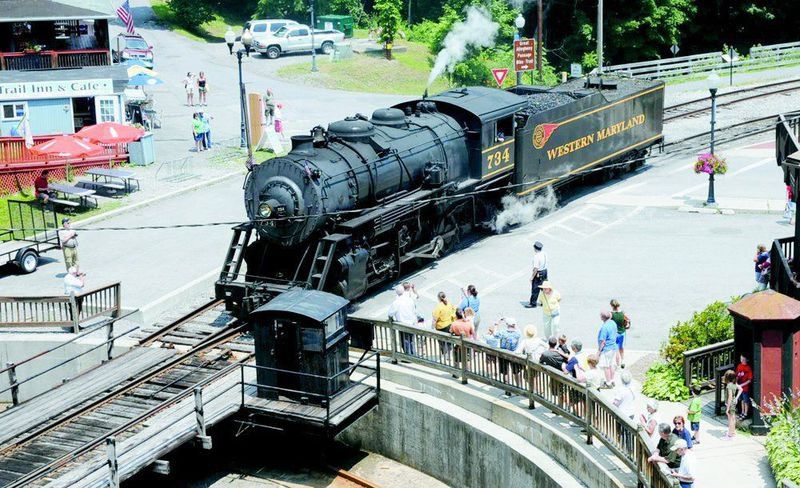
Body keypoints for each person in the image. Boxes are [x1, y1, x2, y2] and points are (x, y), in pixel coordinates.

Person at [388, 284, 417, 355]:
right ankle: (413, 354)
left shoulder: (396, 302)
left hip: (402, 324)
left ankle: (408, 356)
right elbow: (414, 310)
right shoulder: (410, 300)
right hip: (411, 323)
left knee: (405, 340)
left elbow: (390, 314)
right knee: (411, 340)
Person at [597, 311, 619, 388]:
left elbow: (603, 341)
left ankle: (608, 383)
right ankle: (612, 380)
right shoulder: (613, 323)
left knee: (606, 366)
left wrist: (599, 352)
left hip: (607, 349)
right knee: (611, 364)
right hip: (613, 347)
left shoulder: (604, 327)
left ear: (602, 318)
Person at [432, 291, 456, 357]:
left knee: (442, 342)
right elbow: (454, 311)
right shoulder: (449, 303)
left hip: (441, 327)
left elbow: (435, 318)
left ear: (438, 298)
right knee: (449, 341)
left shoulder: (438, 307)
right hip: (449, 324)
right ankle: (450, 353)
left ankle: (445, 355)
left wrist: (432, 328)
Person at [526, 241, 548, 308]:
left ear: (535, 248)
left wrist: (532, 277)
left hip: (539, 273)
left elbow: (536, 268)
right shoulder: (544, 253)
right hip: (545, 271)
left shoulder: (536, 256)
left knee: (535, 288)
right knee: (544, 287)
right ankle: (545, 302)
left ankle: (533, 303)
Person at [610, 299, 630, 367]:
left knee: (616, 350)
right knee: (621, 347)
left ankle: (618, 365)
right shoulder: (622, 313)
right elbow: (628, 320)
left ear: (612, 305)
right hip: (622, 332)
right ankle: (623, 361)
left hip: (615, 334)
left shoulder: (611, 314)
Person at [724, 369, 741, 440]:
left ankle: (730, 435)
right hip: (734, 403)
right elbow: (741, 389)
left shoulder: (729, 386)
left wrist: (727, 408)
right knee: (733, 418)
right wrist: (736, 398)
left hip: (730, 404)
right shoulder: (734, 384)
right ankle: (733, 432)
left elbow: (730, 397)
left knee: (730, 419)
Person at [735, 355, 753, 420]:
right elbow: (737, 375)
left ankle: (746, 414)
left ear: (746, 360)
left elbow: (749, 380)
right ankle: (742, 412)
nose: (741, 360)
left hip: (745, 388)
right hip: (740, 387)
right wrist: (736, 383)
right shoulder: (739, 366)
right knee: (742, 400)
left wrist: (741, 385)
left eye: (743, 359)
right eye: (741, 359)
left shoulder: (748, 368)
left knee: (746, 401)